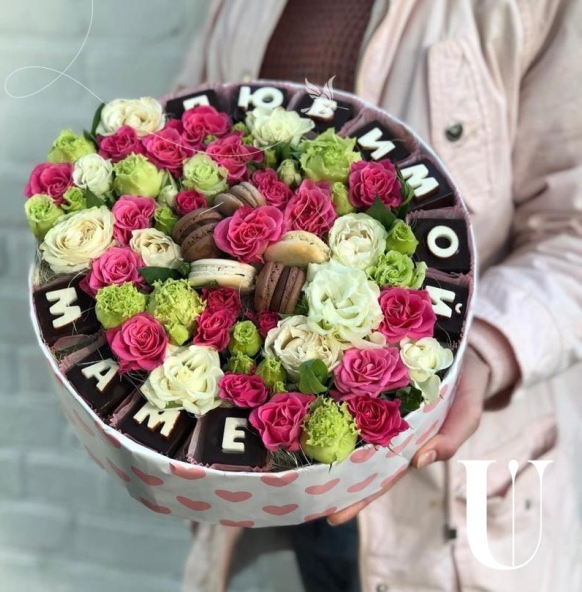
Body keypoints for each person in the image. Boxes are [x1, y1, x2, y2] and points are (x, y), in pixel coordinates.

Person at [176, 1, 582, 591]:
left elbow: (572, 235)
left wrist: (483, 346)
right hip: (277, 474)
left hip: (448, 498)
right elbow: (185, 147)